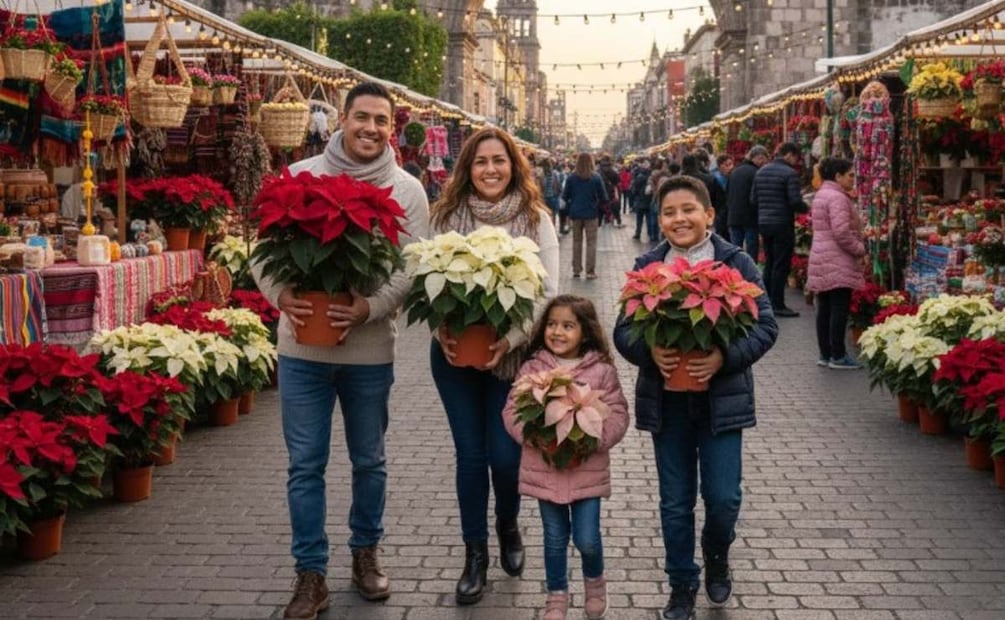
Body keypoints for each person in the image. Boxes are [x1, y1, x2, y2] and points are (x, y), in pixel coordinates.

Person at [251, 81, 430, 620]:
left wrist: (368, 308)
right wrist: (279, 295)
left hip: (369, 352)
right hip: (303, 350)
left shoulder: (408, 191)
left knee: (369, 461)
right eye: (361, 117)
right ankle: (310, 575)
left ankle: (365, 554)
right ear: (340, 120)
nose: (370, 128)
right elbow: (263, 250)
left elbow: (411, 266)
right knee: (305, 465)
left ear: (391, 127)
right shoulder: (302, 178)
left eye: (381, 120)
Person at [613, 176, 778, 620]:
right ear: (659, 218)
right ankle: (681, 583)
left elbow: (766, 326)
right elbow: (622, 331)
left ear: (709, 214)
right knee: (675, 500)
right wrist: (652, 352)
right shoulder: (649, 264)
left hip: (722, 402)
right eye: (669, 212)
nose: (678, 218)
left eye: (689, 209)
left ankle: (717, 553)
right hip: (667, 401)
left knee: (724, 499)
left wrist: (723, 357)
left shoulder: (737, 262)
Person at [427, 127, 560, 606]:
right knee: (470, 457)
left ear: (513, 165)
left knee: (505, 460)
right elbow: (427, 281)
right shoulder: (445, 215)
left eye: (499, 161)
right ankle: (475, 555)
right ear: (468, 167)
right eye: (481, 161)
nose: (490, 169)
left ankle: (507, 523)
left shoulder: (534, 218)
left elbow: (548, 293)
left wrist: (512, 338)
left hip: (513, 358)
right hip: (455, 357)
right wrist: (439, 328)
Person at [501, 294, 629, 620]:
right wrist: (535, 438)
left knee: (587, 539)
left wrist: (593, 440)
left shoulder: (601, 371)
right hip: (546, 470)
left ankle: (595, 584)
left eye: (568, 326)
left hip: (587, 470)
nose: (557, 332)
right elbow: (512, 411)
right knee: (554, 539)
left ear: (584, 333)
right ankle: (556, 595)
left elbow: (617, 414)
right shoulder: (533, 368)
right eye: (552, 325)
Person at [807, 157, 866, 370]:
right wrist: (859, 248)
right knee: (839, 308)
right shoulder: (838, 198)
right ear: (838, 176)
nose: (853, 179)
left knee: (824, 307)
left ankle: (826, 353)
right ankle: (838, 356)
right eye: (850, 175)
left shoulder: (822, 194)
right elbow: (841, 232)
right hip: (837, 258)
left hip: (821, 255)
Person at [750, 142, 808, 317]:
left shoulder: (760, 172)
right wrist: (806, 208)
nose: (796, 162)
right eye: (796, 158)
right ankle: (778, 304)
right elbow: (794, 201)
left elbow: (753, 200)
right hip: (782, 223)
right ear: (789, 155)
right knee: (781, 264)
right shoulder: (790, 173)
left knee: (769, 262)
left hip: (764, 223)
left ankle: (765, 301)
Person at [561, 152, 607, 279]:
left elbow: (565, 196)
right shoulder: (596, 177)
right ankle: (590, 271)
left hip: (575, 213)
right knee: (591, 243)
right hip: (591, 213)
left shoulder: (571, 177)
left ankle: (576, 270)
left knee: (576, 242)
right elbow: (604, 197)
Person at [726, 145, 770, 262]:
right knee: (751, 248)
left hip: (734, 216)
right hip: (750, 217)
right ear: (759, 158)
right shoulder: (757, 173)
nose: (766, 163)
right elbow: (758, 196)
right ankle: (750, 273)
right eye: (765, 159)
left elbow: (728, 193)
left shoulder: (735, 171)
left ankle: (736, 273)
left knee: (736, 248)